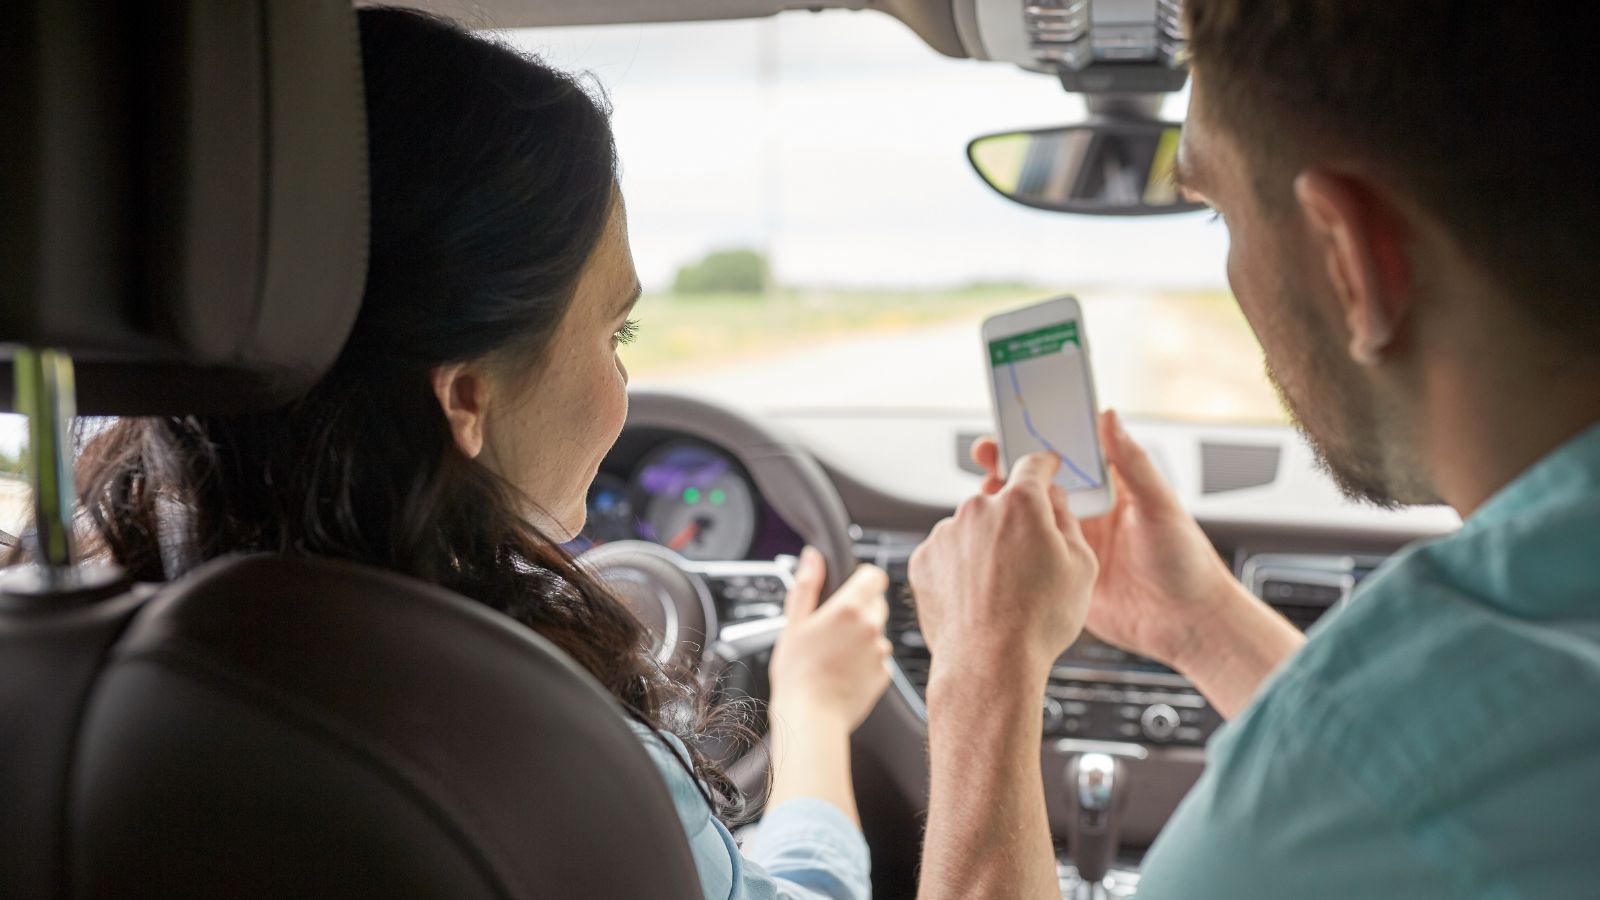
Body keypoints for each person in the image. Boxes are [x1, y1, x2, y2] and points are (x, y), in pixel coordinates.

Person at [73, 8, 887, 899]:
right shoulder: (527, 755)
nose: (621, 377)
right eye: (620, 331)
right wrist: (833, 703)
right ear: (466, 395)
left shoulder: (67, 645)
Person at [910, 1, 1600, 898]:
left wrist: (983, 665)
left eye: (1217, 215)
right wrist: (1198, 623)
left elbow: (1382, 780)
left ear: (1351, 257)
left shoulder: (1330, 788)